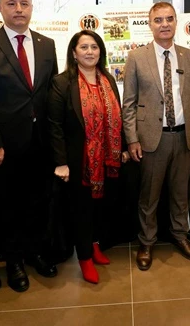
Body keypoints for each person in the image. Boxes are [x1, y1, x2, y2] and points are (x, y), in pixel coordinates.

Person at [0, 0, 59, 292]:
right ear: (0, 7)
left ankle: (34, 251)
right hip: (5, 145)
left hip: (41, 141)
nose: (19, 9)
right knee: (7, 204)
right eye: (11, 3)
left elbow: (51, 93)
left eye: (24, 3)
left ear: (32, 7)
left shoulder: (46, 44)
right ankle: (13, 260)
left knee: (38, 200)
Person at [122, 1, 190, 271]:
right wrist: (132, 139)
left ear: (176, 22)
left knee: (180, 193)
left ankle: (180, 236)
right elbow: (129, 103)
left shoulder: (189, 56)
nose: (164, 24)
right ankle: (147, 242)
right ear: (150, 24)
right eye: (158, 20)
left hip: (184, 137)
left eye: (169, 18)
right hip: (151, 139)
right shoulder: (137, 57)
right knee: (149, 196)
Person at [47, 30, 129, 284]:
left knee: (100, 206)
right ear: (74, 53)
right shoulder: (62, 83)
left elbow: (117, 117)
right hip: (78, 160)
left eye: (94, 47)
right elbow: (54, 125)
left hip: (107, 157)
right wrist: (61, 162)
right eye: (84, 47)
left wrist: (123, 147)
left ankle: (94, 245)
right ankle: (83, 257)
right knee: (81, 209)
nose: (90, 52)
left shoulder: (108, 79)